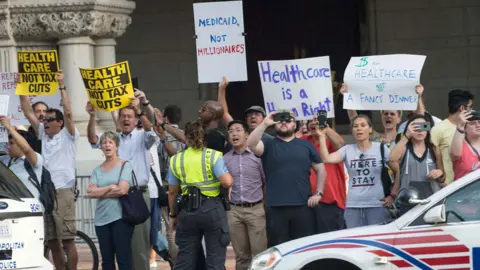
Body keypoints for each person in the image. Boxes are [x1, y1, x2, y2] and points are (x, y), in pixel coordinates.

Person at [87, 98, 157, 270]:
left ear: (135, 120)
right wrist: (91, 116)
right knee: (120, 250)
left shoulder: (142, 136)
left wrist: (139, 109)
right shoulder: (113, 139)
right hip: (114, 203)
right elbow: (93, 139)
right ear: (118, 120)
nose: (126, 119)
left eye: (130, 116)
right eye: (123, 116)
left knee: (139, 246)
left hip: (137, 194)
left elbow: (151, 131)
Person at [20, 71, 79, 270]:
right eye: (43, 120)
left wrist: (62, 85)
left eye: (49, 119)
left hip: (63, 191)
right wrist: (21, 88)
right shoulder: (44, 136)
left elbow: (69, 113)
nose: (44, 122)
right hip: (47, 192)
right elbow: (28, 112)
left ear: (59, 123)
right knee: (52, 241)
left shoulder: (69, 135)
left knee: (67, 240)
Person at [247, 110, 325, 247]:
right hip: (276, 207)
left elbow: (321, 169)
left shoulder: (306, 145)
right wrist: (265, 123)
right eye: (280, 120)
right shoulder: (268, 144)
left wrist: (318, 193)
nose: (283, 122)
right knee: (278, 249)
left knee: (303, 248)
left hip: (303, 205)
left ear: (295, 125)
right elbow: (251, 144)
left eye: (288, 120)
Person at [167, 121, 233, 270]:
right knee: (215, 261)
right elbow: (227, 182)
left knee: (185, 260)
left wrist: (173, 216)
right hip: (212, 209)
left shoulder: (176, 159)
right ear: (203, 136)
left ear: (186, 137)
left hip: (187, 211)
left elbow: (172, 191)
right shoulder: (213, 156)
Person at [317, 115, 399, 228]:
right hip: (352, 206)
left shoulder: (381, 148)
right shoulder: (347, 149)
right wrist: (322, 136)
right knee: (356, 243)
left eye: (363, 125)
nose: (359, 129)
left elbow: (398, 171)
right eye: (355, 126)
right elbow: (326, 158)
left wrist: (392, 195)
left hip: (377, 205)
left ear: (370, 129)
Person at [87, 132, 135, 270]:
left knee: (123, 259)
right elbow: (90, 192)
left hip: (120, 218)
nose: (107, 145)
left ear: (116, 146)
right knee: (107, 262)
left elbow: (122, 190)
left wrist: (100, 192)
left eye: (110, 142)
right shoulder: (97, 170)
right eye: (104, 143)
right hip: (101, 220)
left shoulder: (125, 165)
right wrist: (109, 187)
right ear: (101, 148)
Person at [224, 120, 267, 270]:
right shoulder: (225, 159)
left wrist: (264, 205)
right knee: (241, 256)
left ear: (247, 135)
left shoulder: (258, 157)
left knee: (260, 255)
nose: (234, 134)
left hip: (255, 209)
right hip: (234, 211)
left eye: (238, 130)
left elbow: (265, 182)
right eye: (231, 131)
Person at [389, 115, 445, 215]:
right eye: (415, 127)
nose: (420, 131)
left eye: (423, 126)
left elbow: (442, 177)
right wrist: (406, 135)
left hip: (430, 199)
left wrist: (439, 172)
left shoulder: (434, 149)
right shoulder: (404, 148)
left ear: (428, 129)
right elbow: (392, 158)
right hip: (408, 199)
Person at [300, 119, 347, 233]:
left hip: (330, 203)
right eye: (309, 121)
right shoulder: (303, 141)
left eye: (316, 121)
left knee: (329, 244)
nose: (313, 123)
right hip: (305, 202)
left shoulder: (330, 141)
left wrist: (324, 127)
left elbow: (341, 144)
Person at [431, 89, 475, 183]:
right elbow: (432, 159)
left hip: (471, 184)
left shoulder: (472, 128)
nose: (472, 110)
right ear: (462, 108)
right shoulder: (438, 129)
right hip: (450, 188)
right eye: (470, 107)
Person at [1, 116, 43, 199]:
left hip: (31, 208)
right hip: (12, 207)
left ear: (21, 144)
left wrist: (9, 127)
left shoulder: (35, 159)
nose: (8, 147)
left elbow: (27, 149)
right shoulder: (7, 162)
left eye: (11, 143)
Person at [450, 110, 480, 180]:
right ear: (465, 128)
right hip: (467, 189)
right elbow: (455, 154)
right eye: (472, 123)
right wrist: (460, 126)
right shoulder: (460, 145)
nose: (478, 125)